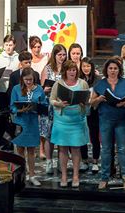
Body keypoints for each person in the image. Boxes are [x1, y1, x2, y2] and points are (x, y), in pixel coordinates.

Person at [91, 56, 125, 189]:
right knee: (106, 149)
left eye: (115, 68)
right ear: (106, 70)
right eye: (110, 68)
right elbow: (92, 104)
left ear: (119, 70)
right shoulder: (100, 84)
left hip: (121, 119)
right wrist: (99, 99)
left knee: (122, 149)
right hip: (105, 120)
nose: (113, 70)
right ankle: (104, 177)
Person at [50, 60, 90, 188]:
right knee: (62, 148)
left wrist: (84, 103)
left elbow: (87, 100)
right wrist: (59, 104)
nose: (72, 72)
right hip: (62, 121)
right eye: (69, 70)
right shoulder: (59, 83)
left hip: (77, 121)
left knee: (76, 148)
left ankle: (76, 176)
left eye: (74, 70)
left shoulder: (83, 83)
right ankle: (64, 176)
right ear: (65, 71)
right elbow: (51, 100)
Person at [10, 67, 47, 186]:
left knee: (31, 150)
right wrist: (20, 109)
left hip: (32, 122)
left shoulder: (39, 89)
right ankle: (22, 175)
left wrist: (37, 106)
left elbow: (44, 105)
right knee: (20, 150)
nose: (28, 82)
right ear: (22, 79)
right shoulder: (16, 89)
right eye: (26, 80)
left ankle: (32, 175)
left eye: (30, 79)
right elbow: (12, 106)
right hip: (20, 122)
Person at [40, 44, 67, 175]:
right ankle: (49, 161)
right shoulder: (48, 68)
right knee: (48, 135)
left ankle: (61, 162)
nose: (62, 57)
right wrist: (45, 89)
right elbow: (41, 87)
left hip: (62, 105)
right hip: (49, 104)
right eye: (59, 55)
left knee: (61, 135)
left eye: (64, 54)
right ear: (54, 55)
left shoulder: (67, 69)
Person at [80, 57, 101, 174]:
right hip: (81, 110)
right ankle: (84, 160)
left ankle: (95, 161)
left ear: (92, 67)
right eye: (84, 66)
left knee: (94, 136)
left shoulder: (98, 79)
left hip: (94, 110)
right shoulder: (78, 78)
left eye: (88, 66)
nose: (86, 68)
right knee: (83, 136)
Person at [0, 35, 19, 112]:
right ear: (3, 45)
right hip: (2, 89)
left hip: (14, 90)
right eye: (6, 45)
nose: (8, 47)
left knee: (13, 112)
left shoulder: (18, 57)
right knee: (3, 113)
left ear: (14, 45)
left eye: (10, 45)